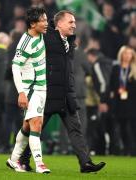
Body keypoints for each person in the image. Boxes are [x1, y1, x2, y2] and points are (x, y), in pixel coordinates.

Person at [19, 10, 106, 173]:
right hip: (48, 94)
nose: (74, 25)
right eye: (70, 22)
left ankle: (85, 163)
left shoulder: (71, 42)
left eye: (74, 22)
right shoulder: (44, 37)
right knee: (36, 129)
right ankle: (22, 160)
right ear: (59, 24)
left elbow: (67, 70)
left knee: (76, 130)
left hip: (66, 94)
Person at [6, 7, 50, 173]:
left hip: (41, 88)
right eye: (43, 20)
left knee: (26, 127)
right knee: (36, 124)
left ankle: (13, 159)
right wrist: (22, 93)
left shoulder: (40, 35)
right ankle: (40, 164)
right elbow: (15, 67)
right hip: (31, 88)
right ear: (33, 24)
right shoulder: (25, 43)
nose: (46, 23)